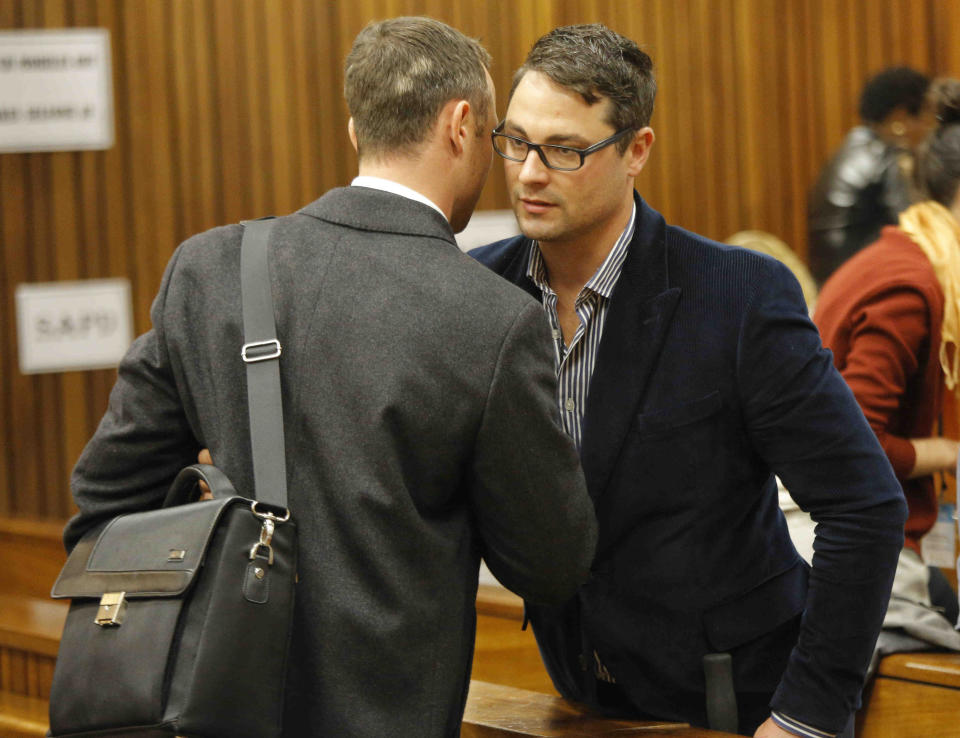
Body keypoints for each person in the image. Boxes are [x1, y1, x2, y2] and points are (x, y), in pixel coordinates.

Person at [64, 17, 597, 738]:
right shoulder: (492, 320)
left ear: (356, 130)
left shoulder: (211, 269)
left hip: (203, 711)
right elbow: (550, 562)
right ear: (462, 124)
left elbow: (104, 498)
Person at [470, 24, 907, 738]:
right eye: (515, 141)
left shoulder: (738, 296)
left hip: (738, 693)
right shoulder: (481, 288)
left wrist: (806, 716)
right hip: (578, 688)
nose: (528, 173)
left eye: (565, 150)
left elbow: (864, 504)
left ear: (637, 150)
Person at [814, 79, 960, 641]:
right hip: (856, 559)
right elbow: (852, 443)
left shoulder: (907, 252)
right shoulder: (910, 285)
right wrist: (948, 452)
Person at [808, 66, 932, 285]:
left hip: (830, 288)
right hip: (864, 286)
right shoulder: (886, 158)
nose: (928, 129)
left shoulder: (846, 150)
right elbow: (914, 231)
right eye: (925, 118)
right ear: (900, 117)